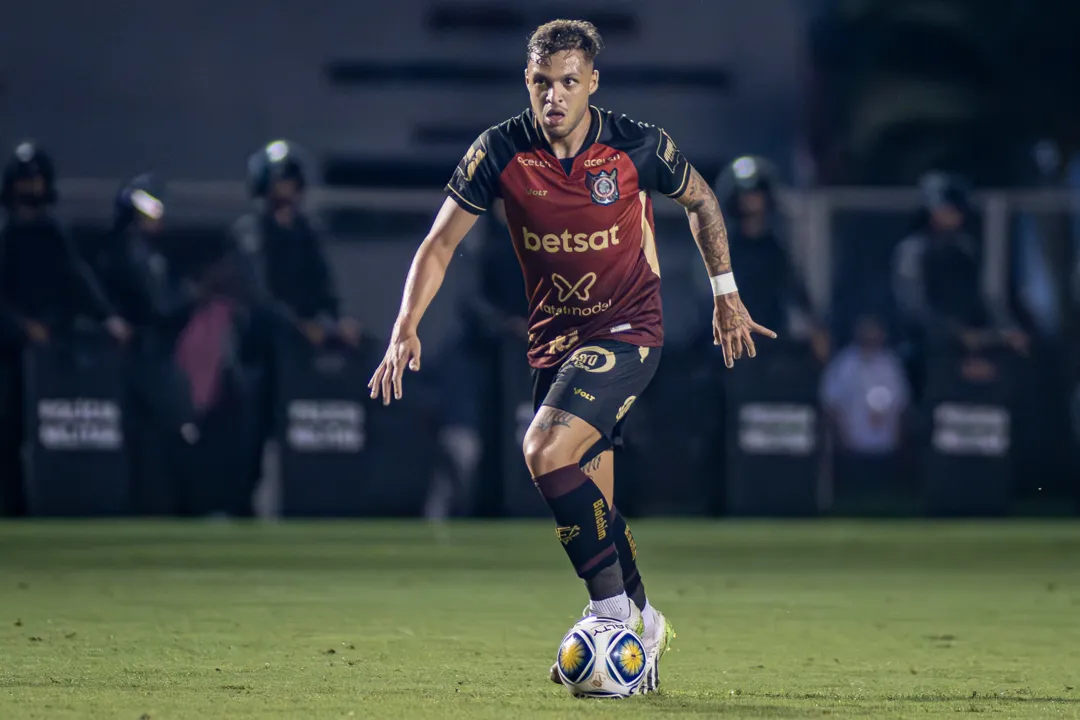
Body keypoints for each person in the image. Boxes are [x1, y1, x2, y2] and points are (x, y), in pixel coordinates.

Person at [367, 19, 775, 692]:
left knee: (543, 453)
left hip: (627, 331)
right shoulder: (500, 151)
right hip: (555, 347)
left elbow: (703, 201)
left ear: (591, 84)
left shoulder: (636, 146)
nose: (552, 97)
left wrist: (725, 293)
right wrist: (405, 324)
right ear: (526, 83)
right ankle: (641, 622)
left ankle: (611, 616)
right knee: (593, 510)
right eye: (540, 83)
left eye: (566, 83)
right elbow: (439, 244)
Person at [715, 156, 829, 361]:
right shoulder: (726, 249)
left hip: (771, 337)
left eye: (756, 193)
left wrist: (815, 327)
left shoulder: (774, 249)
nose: (751, 201)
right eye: (745, 195)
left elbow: (794, 287)